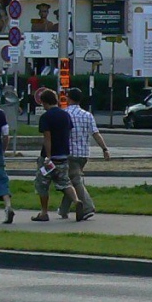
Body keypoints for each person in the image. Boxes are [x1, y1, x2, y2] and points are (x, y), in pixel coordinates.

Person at [58, 89, 109, 222]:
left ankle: (88, 207)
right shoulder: (87, 115)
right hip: (83, 154)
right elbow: (95, 133)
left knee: (74, 180)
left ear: (68, 98)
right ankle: (63, 210)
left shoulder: (64, 114)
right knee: (72, 179)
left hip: (69, 153)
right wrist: (104, 148)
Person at [33, 88, 80, 222]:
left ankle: (44, 212)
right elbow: (68, 133)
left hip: (50, 158)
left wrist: (48, 156)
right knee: (65, 182)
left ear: (44, 102)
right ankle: (77, 201)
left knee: (42, 184)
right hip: (63, 155)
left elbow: (47, 138)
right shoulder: (65, 115)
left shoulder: (46, 117)